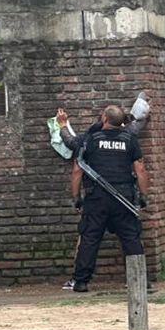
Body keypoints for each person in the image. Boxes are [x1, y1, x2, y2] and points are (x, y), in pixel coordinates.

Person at [62, 105, 151, 292]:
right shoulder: (130, 140)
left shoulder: (91, 140)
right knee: (130, 238)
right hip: (123, 198)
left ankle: (81, 281)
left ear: (104, 119)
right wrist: (143, 196)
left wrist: (76, 197)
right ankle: (140, 280)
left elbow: (78, 170)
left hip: (96, 199)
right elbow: (140, 169)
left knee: (90, 238)